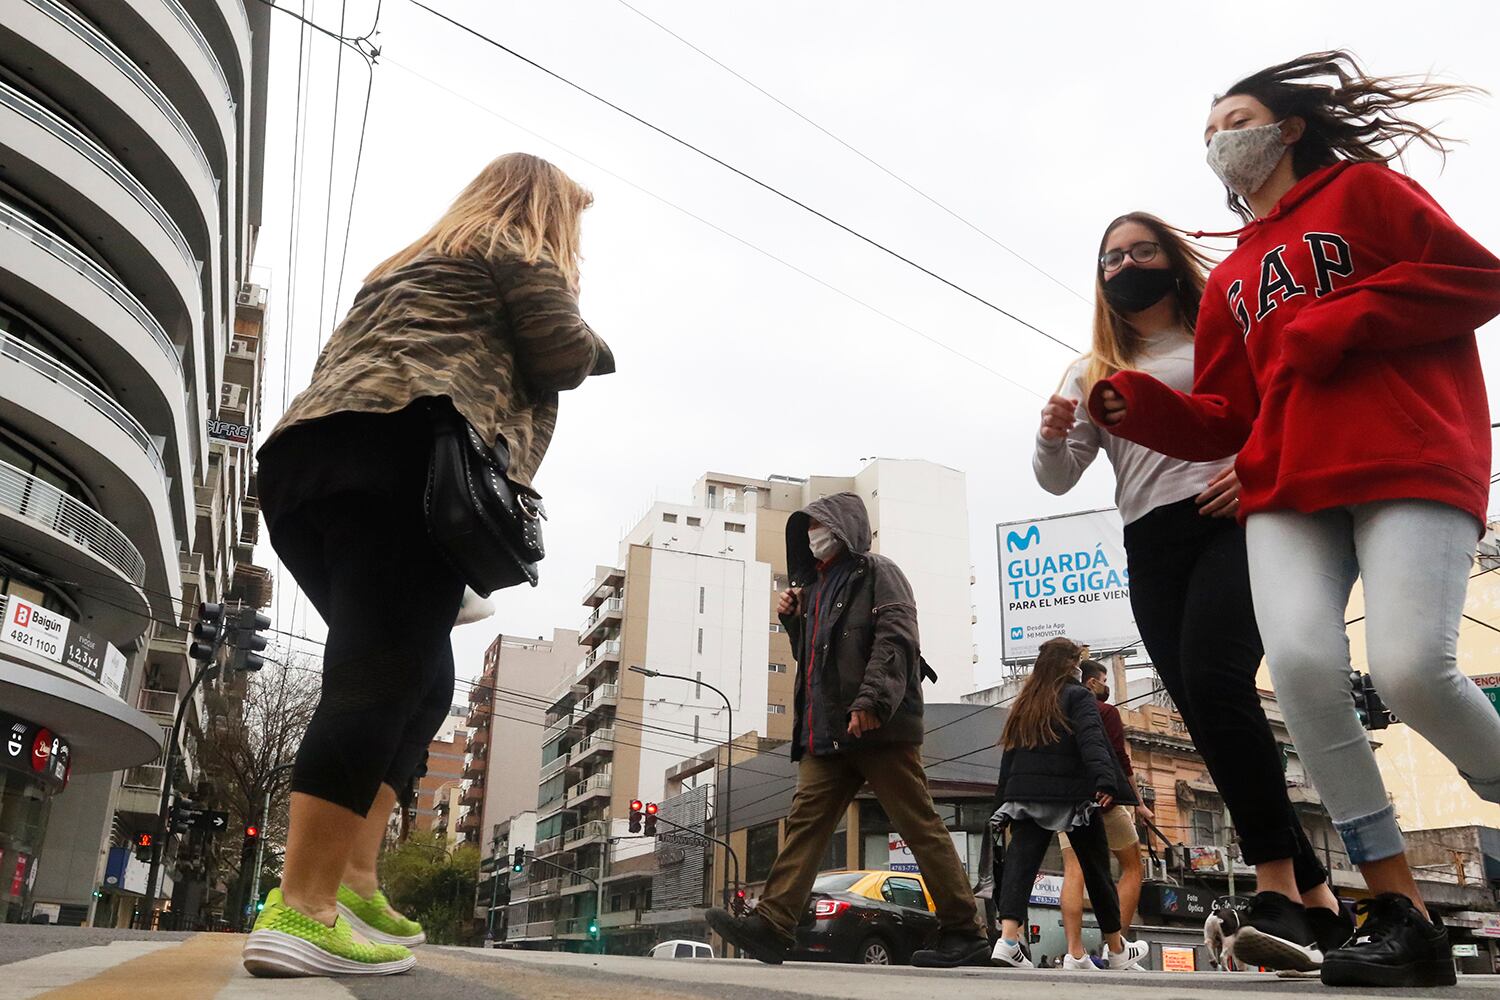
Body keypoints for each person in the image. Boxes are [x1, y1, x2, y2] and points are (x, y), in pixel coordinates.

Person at [1090, 51, 1500, 989]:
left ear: (1287, 128)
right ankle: (1396, 907)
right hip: (1285, 484)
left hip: (1406, 455)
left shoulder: (1363, 194)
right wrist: (1142, 411)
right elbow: (1230, 413)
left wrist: (1343, 316)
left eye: (1231, 120)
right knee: (1307, 671)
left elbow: (1478, 280)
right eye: (1204, 134)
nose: (1217, 141)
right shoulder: (1233, 273)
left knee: (1408, 669)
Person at [242, 153, 614, 977]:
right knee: (376, 673)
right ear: (547, 208)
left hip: (311, 466)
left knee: (421, 679)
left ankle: (351, 879)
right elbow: (562, 355)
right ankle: (302, 908)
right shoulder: (518, 244)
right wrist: (597, 342)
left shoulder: (409, 260)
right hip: (403, 462)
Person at [1034, 213, 1349, 974]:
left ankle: (1276, 891)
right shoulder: (1092, 366)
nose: (1127, 263)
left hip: (1233, 518)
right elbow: (1059, 475)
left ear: (1173, 261)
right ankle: (1323, 905)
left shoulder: (1223, 331)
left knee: (1214, 679)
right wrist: (1050, 436)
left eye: (1143, 250)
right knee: (1208, 718)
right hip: (1151, 542)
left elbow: (1286, 405)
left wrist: (1256, 467)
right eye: (1111, 256)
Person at [704, 492, 990, 969]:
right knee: (804, 825)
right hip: (825, 733)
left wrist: (873, 702)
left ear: (843, 527)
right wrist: (793, 622)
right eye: (809, 525)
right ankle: (774, 924)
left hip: (878, 727)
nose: (814, 533)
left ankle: (964, 930)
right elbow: (814, 661)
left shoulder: (878, 572)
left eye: (820, 523)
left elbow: (897, 637)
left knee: (917, 824)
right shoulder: (812, 590)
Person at [989, 637, 1148, 971]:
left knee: (1020, 866)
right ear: (1071, 665)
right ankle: (1117, 949)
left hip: (1025, 796)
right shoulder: (1078, 696)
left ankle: (1007, 941)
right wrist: (1105, 781)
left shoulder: (1025, 701)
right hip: (1073, 799)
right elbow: (1093, 739)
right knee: (1096, 869)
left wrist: (1000, 803)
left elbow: (1009, 753)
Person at [1054, 659, 1147, 971]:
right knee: (1133, 866)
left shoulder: (1054, 709)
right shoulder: (1105, 712)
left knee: (1073, 869)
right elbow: (1120, 758)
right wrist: (1139, 802)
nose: (1106, 685)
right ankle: (1116, 948)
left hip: (1067, 801)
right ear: (1090, 682)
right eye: (1104, 679)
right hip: (1104, 799)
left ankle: (1074, 954)